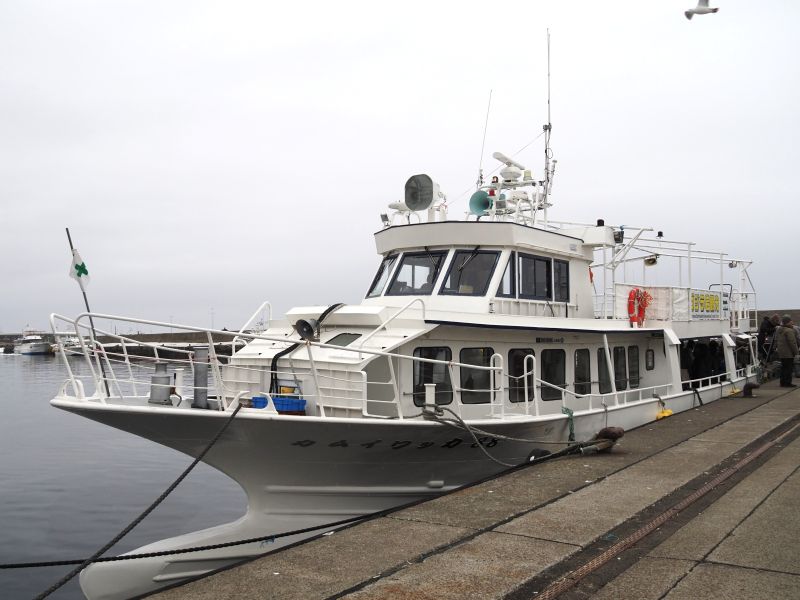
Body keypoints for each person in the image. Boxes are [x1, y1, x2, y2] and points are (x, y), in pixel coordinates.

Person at [774, 315, 799, 387]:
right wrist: (796, 352)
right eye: (791, 321)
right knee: (788, 368)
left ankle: (782, 382)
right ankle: (788, 383)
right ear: (787, 322)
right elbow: (792, 342)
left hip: (782, 352)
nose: (792, 322)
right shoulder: (789, 331)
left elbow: (776, 340)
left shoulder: (779, 329)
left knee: (783, 368)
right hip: (788, 353)